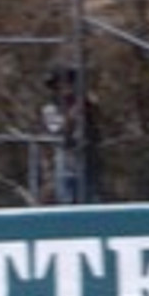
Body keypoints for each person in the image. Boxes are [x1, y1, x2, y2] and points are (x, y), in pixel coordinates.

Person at [40, 66, 101, 204]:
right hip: (67, 160)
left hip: (87, 158)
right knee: (67, 198)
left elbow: (97, 125)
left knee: (90, 198)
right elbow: (58, 131)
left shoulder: (86, 104)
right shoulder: (51, 108)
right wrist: (73, 114)